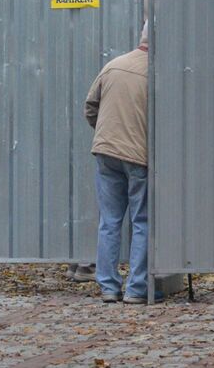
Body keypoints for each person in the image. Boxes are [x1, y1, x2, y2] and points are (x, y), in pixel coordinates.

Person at [85, 24, 152, 304]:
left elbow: (90, 107)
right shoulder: (157, 71)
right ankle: (137, 289)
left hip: (106, 152)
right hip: (138, 154)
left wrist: (105, 133)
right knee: (142, 221)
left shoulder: (113, 65)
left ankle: (108, 287)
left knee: (109, 222)